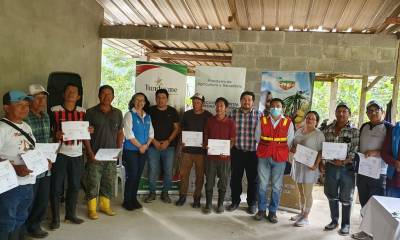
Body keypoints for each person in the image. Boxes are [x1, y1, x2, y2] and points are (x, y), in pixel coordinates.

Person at [49, 83, 91, 229]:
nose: (72, 93)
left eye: (75, 92)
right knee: (56, 187)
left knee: (74, 186)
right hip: (60, 153)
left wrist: (89, 130)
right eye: (68, 91)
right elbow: (49, 132)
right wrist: (56, 135)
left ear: (78, 96)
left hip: (77, 154)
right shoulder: (54, 110)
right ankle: (55, 218)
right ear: (63, 94)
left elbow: (85, 132)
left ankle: (70, 214)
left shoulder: (83, 111)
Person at [351, 100, 391, 239]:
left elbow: (391, 151)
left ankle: (375, 233)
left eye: (376, 110)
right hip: (363, 171)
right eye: (370, 110)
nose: (373, 113)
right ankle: (366, 231)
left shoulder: (389, 128)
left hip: (379, 173)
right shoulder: (364, 126)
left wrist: (376, 152)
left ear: (383, 112)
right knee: (364, 201)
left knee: (376, 203)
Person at [84, 85, 124, 219]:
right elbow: (85, 134)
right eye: (103, 94)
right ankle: (91, 209)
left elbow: (120, 133)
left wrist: (118, 151)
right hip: (94, 154)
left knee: (108, 181)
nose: (107, 97)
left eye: (109, 94)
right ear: (98, 95)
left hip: (111, 155)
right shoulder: (90, 112)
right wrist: (89, 153)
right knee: (93, 182)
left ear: (113, 97)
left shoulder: (118, 113)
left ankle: (105, 206)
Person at [0, 90, 35, 240]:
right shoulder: (2, 129)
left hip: (28, 183)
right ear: (6, 107)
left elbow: (27, 149)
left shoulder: (26, 127)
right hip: (10, 187)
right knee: (6, 221)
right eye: (19, 105)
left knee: (21, 218)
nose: (25, 108)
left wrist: (42, 161)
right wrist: (14, 168)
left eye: (26, 105)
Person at [321, 102, 359, 236]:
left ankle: (346, 224)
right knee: (331, 194)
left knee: (346, 197)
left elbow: (355, 151)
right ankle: (334, 220)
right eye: (339, 111)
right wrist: (323, 162)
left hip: (347, 169)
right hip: (330, 167)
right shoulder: (327, 129)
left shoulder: (354, 130)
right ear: (335, 113)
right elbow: (323, 148)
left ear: (349, 114)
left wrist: (344, 161)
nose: (341, 114)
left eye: (344, 111)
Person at [254, 98, 294, 223]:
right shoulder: (263, 120)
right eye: (273, 106)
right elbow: (257, 137)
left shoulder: (288, 122)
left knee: (277, 186)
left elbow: (289, 140)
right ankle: (261, 210)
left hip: (280, 157)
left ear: (282, 108)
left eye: (278, 106)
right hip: (264, 156)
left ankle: (272, 212)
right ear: (269, 108)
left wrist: (277, 148)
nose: (275, 108)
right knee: (262, 185)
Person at [24, 84, 52, 238]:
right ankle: (23, 228)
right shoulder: (24, 117)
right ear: (29, 100)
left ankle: (35, 226)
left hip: (46, 166)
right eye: (38, 98)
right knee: (29, 200)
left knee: (42, 199)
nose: (42, 102)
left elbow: (47, 140)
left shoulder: (46, 116)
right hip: (30, 166)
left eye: (44, 98)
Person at [227, 91, 261, 214]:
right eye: (244, 99)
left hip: (253, 153)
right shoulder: (233, 114)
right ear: (241, 100)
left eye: (249, 100)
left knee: (253, 179)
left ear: (253, 102)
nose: (247, 102)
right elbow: (228, 132)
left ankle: (252, 203)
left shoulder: (260, 115)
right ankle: (235, 201)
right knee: (235, 178)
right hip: (237, 152)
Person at [175, 93, 211, 208]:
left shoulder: (208, 116)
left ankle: (197, 198)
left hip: (201, 152)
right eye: (194, 102)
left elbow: (211, 132)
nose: (196, 104)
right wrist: (181, 141)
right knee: (184, 175)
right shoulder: (186, 114)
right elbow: (181, 129)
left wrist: (208, 143)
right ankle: (182, 196)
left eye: (198, 102)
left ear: (202, 103)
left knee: (200, 177)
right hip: (187, 151)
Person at [289, 111, 325, 227]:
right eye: (308, 118)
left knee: (307, 192)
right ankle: (301, 213)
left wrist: (316, 165)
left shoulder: (319, 134)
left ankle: (306, 217)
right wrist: (293, 148)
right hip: (298, 165)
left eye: (312, 119)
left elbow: (321, 151)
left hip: (310, 167)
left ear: (316, 122)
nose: (309, 120)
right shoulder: (299, 131)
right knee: (300, 191)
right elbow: (294, 145)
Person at [145, 89, 180, 203]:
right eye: (158, 97)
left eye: (163, 97)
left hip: (168, 147)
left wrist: (168, 141)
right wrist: (153, 141)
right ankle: (152, 193)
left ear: (167, 99)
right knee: (153, 170)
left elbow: (177, 128)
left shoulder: (173, 111)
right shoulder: (150, 111)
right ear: (155, 99)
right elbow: (145, 128)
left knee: (168, 171)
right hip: (152, 146)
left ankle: (165, 193)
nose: (161, 100)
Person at [203, 97, 236, 214]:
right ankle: (208, 204)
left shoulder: (231, 122)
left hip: (224, 158)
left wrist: (226, 150)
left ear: (226, 108)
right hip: (211, 158)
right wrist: (206, 145)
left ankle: (220, 204)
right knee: (210, 181)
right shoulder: (209, 121)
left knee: (223, 181)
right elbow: (205, 137)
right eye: (217, 105)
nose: (218, 108)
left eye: (221, 105)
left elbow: (232, 140)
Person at [122, 92, 154, 210]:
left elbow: (151, 134)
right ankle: (127, 201)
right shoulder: (129, 115)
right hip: (131, 151)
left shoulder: (147, 116)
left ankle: (133, 199)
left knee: (138, 175)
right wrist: (141, 146)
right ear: (133, 101)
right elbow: (129, 134)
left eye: (142, 100)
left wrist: (146, 146)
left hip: (143, 150)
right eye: (137, 100)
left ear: (145, 103)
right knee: (132, 175)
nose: (140, 103)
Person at [382, 116, 400, 198]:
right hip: (394, 181)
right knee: (391, 210)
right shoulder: (394, 130)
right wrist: (395, 163)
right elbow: (384, 153)